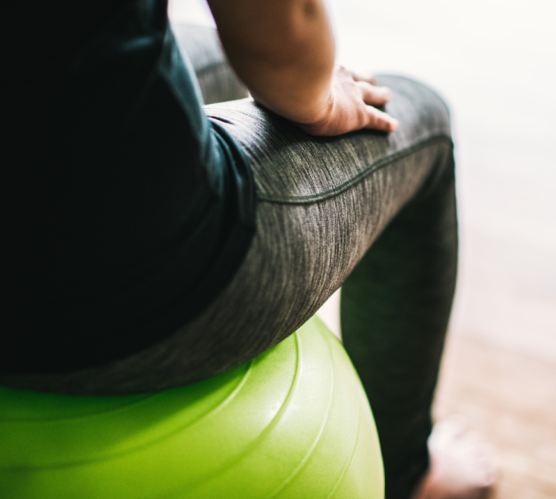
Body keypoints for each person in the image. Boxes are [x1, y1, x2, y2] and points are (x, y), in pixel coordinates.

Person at [2, 0, 495, 497]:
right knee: (423, 119)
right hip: (131, 291)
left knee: (214, 57)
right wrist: (321, 99)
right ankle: (406, 473)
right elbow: (281, 35)